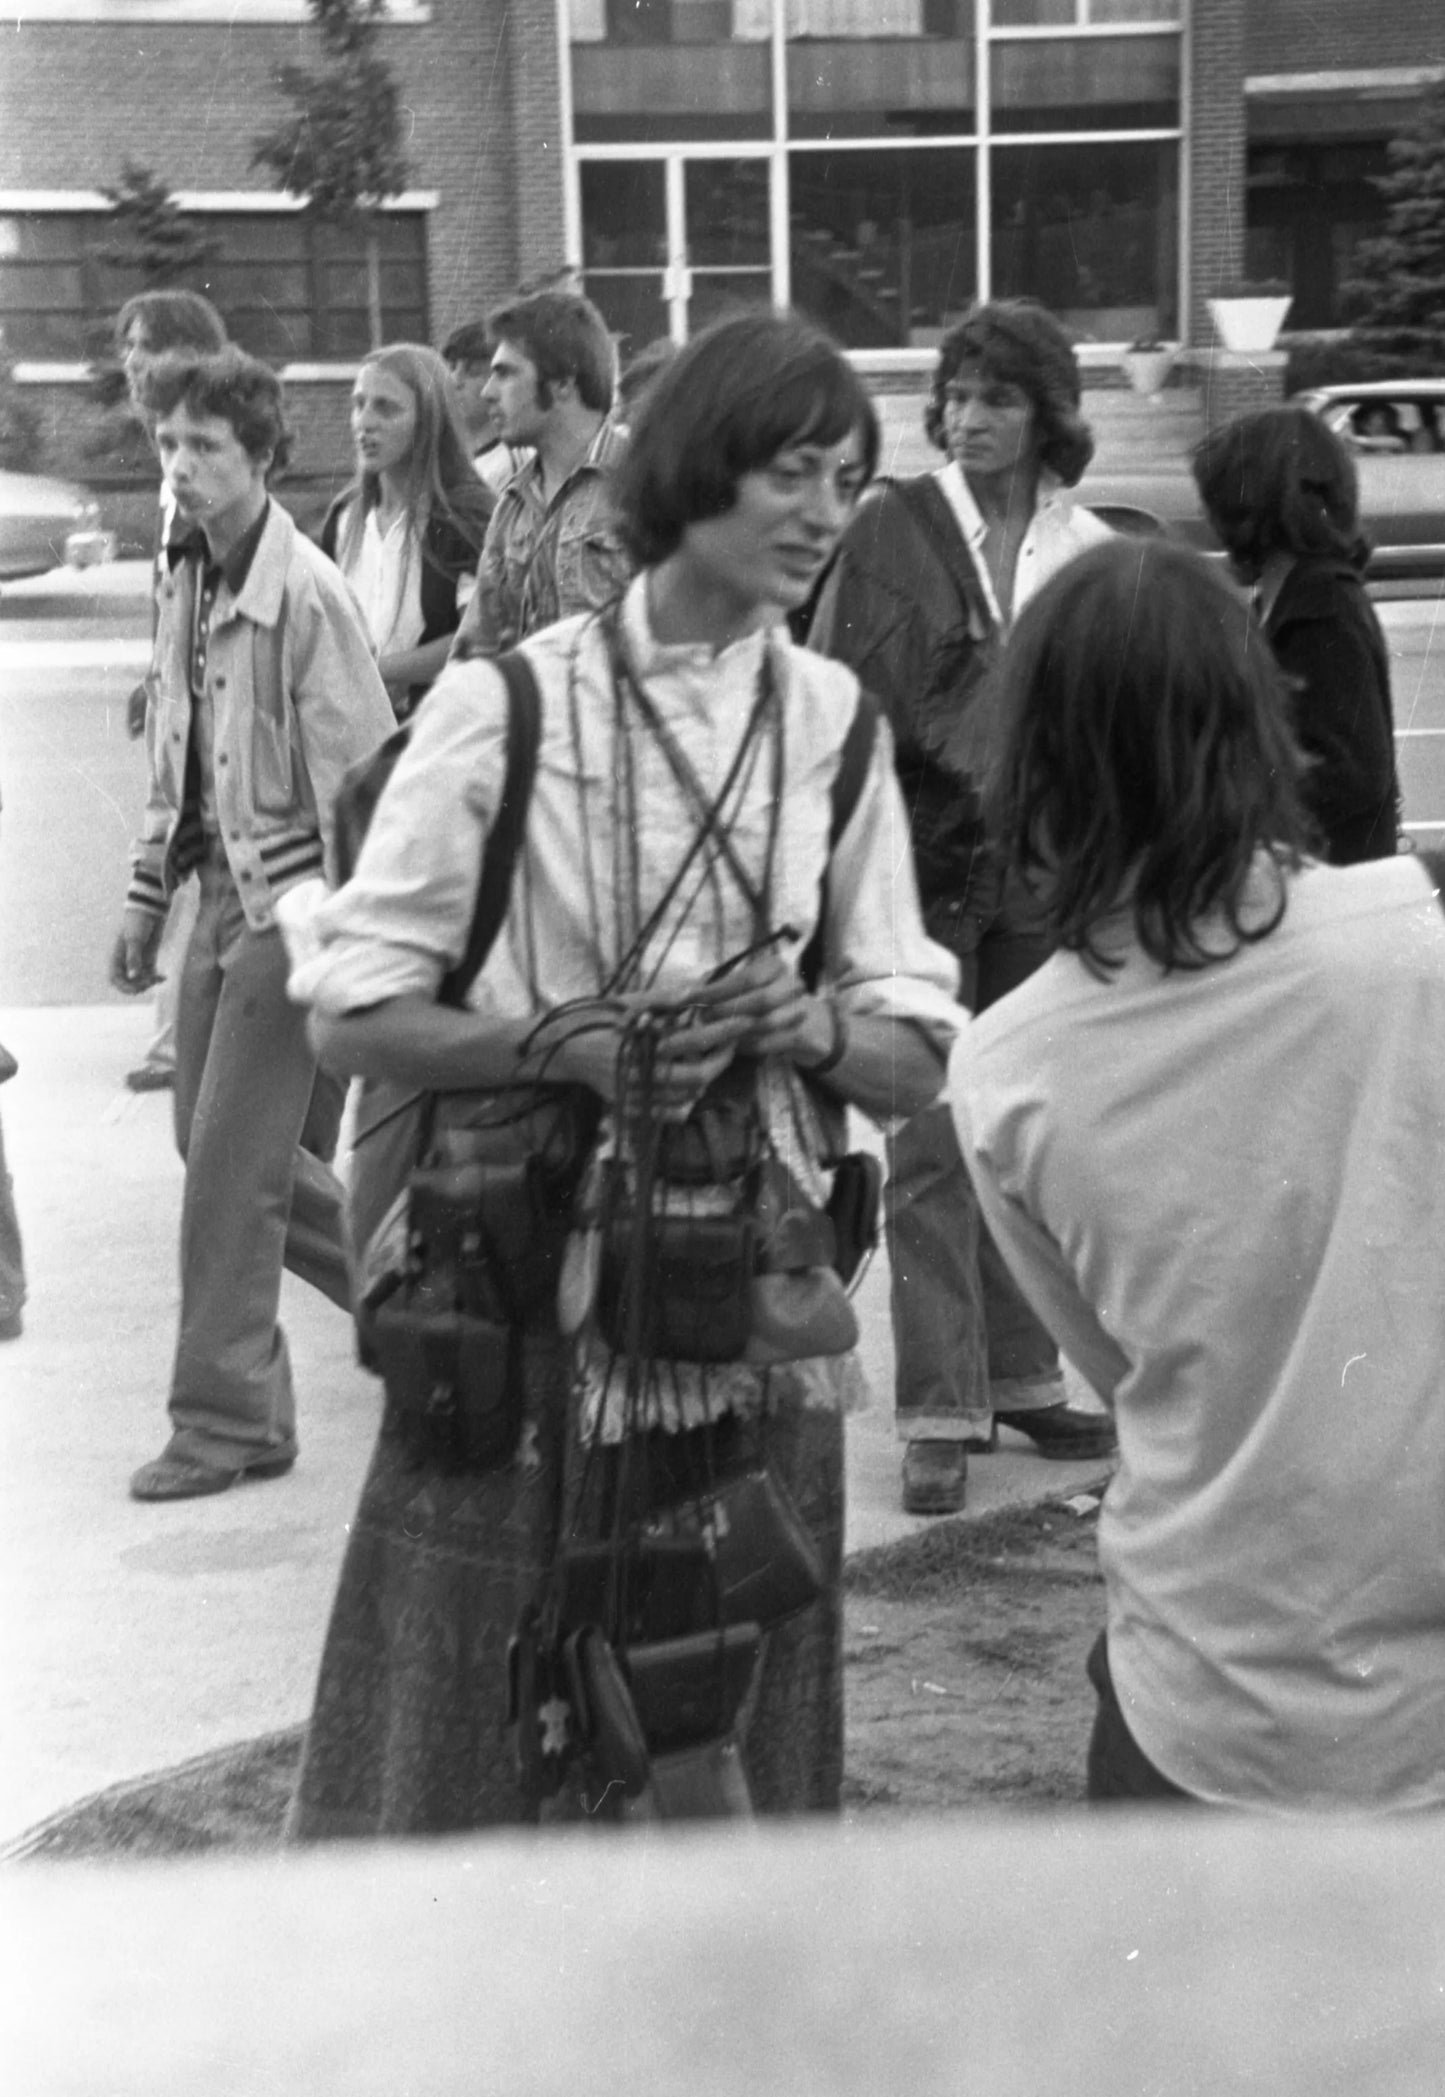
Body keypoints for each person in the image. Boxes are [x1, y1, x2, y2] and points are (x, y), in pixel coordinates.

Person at [283, 309, 960, 1837]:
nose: (821, 513)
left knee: (736, 1753)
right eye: (792, 471)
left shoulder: (832, 726)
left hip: (751, 1312)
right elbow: (347, 1016)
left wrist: (797, 1028)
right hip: (517, 1305)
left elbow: (913, 1056)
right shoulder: (503, 708)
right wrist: (561, 1042)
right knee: (458, 1759)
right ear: (697, 468)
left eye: (847, 482)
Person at [949, 535, 1445, 1813]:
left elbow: (1117, 1373)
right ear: (1253, 724)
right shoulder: (1414, 943)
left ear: (1031, 757)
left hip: (1206, 1695)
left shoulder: (1005, 1069)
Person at [808, 299, 1116, 1515]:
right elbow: (848, 698)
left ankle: (1022, 1374)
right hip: (915, 869)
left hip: (1037, 869)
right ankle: (938, 1408)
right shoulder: (892, 524)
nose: (967, 419)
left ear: (1045, 413)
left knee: (1026, 1130)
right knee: (929, 1134)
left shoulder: (1080, 544)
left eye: (996, 398)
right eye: (955, 397)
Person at [112, 348, 394, 1503]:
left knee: (231, 1178)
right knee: (225, 1150)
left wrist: (356, 946)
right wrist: (144, 895)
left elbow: (368, 783)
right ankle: (423, 1298)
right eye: (169, 445)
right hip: (219, 898)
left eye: (207, 448)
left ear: (264, 457)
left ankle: (220, 1422)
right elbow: (174, 757)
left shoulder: (308, 593)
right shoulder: (182, 570)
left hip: (296, 911)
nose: (182, 468)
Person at [1192, 404, 1400, 865]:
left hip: (1333, 886)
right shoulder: (1281, 596)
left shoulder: (1321, 603)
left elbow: (1352, 771)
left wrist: (1223, 800)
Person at [115, 289, 229, 1096]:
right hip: (178, 693)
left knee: (197, 855)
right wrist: (150, 676)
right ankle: (176, 1036)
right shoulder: (170, 471)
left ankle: (178, 1042)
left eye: (147, 344)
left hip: (210, 711)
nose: (131, 360)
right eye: (125, 344)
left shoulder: (206, 469)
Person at [448, 287, 631, 659]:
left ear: (563, 383)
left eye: (505, 374)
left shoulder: (646, 486)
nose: (487, 392)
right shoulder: (513, 505)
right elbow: (474, 650)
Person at [320, 343, 493, 721]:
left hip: (436, 731)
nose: (364, 422)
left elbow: (481, 635)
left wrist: (383, 671)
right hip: (350, 730)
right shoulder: (345, 517)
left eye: (386, 407)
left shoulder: (466, 516)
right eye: (358, 404)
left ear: (430, 421)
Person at [440, 319, 529, 497]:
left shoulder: (510, 464)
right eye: (450, 368)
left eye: (473, 372)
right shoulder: (444, 458)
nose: (455, 381)